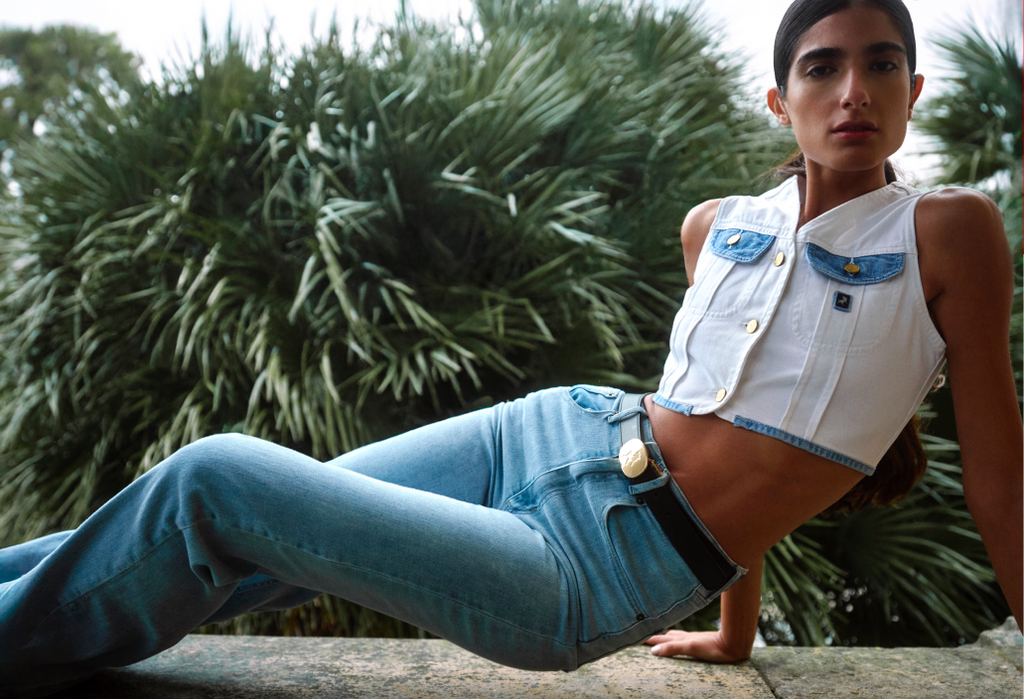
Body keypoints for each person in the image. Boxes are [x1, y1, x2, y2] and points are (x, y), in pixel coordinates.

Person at [0, 0, 1020, 694]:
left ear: (914, 89)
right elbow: (726, 408)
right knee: (228, 541)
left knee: (217, 480)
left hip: (594, 570)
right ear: (779, 99)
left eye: (880, 64)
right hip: (548, 432)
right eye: (822, 67)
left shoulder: (948, 230)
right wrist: (735, 632)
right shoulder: (718, 225)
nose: (852, 91)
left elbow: (1000, 484)